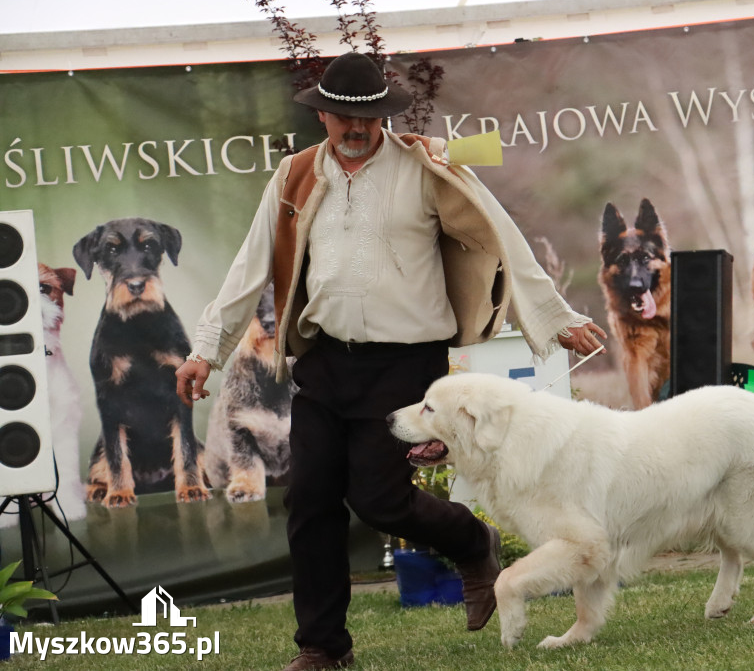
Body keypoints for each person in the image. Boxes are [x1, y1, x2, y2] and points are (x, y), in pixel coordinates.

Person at [175, 51, 606, 671]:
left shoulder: (428, 165)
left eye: (371, 118)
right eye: (346, 118)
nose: (358, 130)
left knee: (380, 502)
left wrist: (555, 318)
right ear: (322, 114)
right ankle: (323, 648)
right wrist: (204, 353)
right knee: (312, 501)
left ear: (384, 116)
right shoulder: (293, 176)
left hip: (406, 363)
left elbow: (502, 235)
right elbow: (248, 269)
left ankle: (471, 539)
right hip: (324, 362)